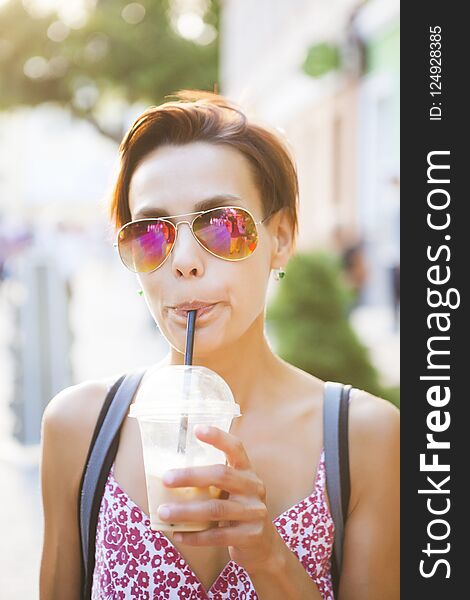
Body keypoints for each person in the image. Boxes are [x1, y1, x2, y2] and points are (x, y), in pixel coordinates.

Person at [39, 91, 399, 599]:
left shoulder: (361, 437)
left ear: (281, 237)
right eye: (151, 234)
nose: (183, 260)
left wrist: (269, 559)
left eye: (222, 226)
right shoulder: (80, 429)